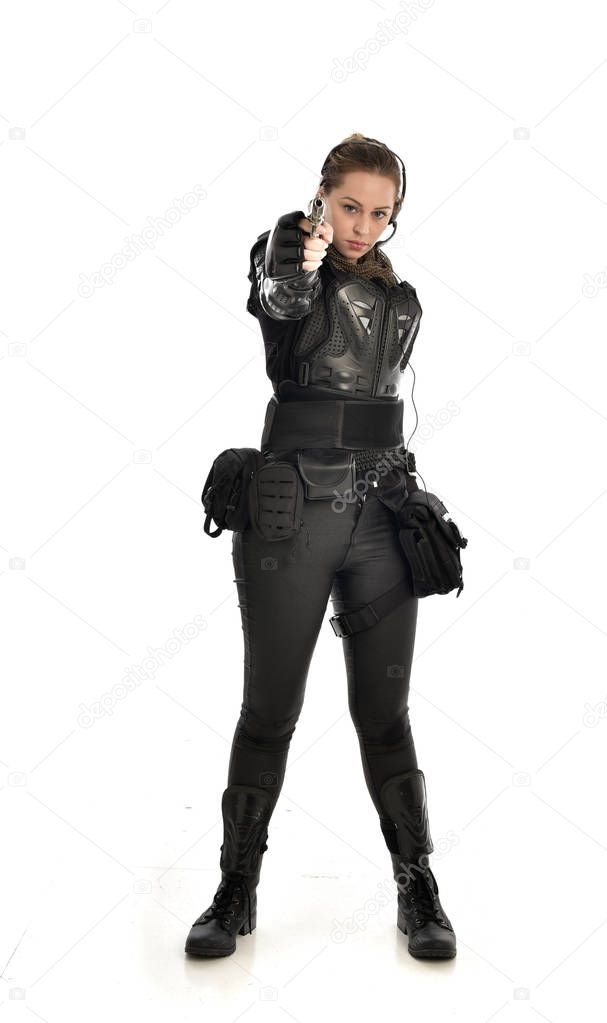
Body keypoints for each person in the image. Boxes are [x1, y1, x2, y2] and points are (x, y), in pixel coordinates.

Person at [185, 133, 457, 961]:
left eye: (380, 212)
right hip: (292, 514)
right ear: (321, 200)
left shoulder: (400, 297)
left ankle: (418, 885)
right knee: (269, 712)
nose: (362, 224)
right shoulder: (294, 264)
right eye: (348, 207)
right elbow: (280, 287)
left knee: (385, 714)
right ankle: (236, 888)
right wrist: (289, 246)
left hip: (381, 516)